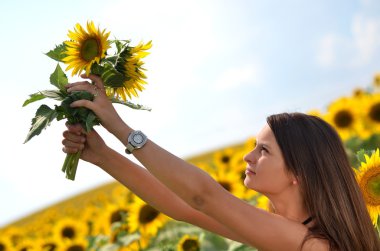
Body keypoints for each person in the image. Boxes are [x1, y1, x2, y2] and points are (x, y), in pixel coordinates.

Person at [62, 74, 380, 251]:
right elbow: (183, 206)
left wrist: (121, 128)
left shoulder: (311, 246)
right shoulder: (291, 232)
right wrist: (102, 155)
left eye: (264, 151)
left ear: (297, 172)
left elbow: (203, 196)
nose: (248, 156)